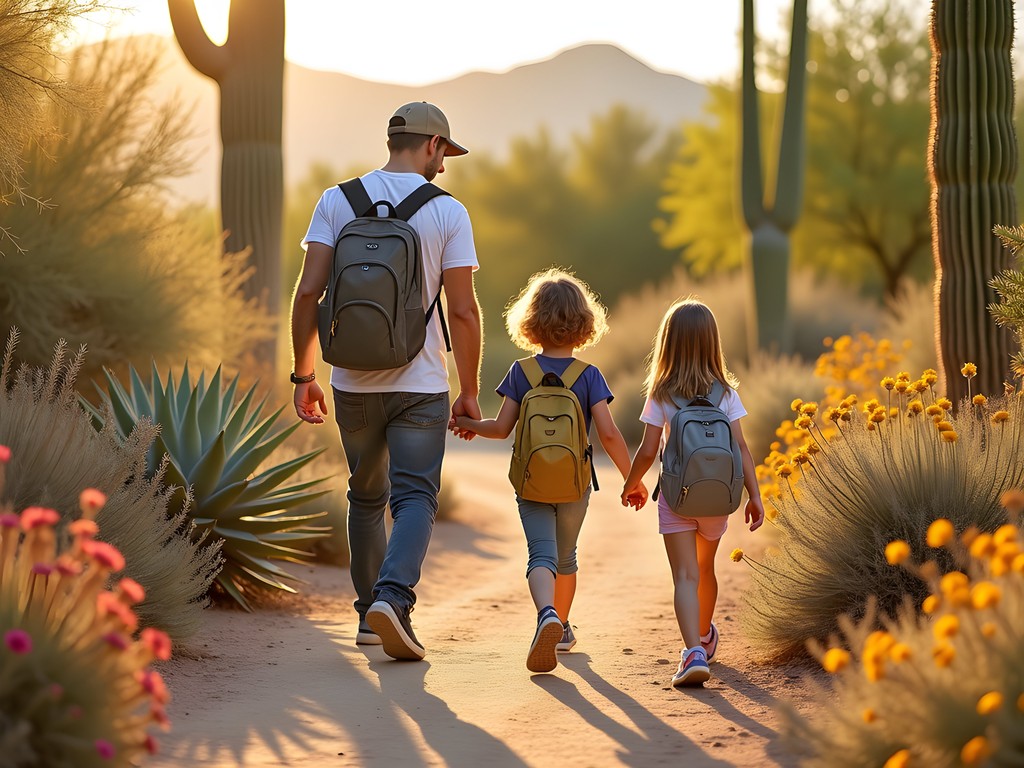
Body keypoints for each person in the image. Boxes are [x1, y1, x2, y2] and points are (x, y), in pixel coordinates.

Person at [289, 102, 483, 661]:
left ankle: (368, 618)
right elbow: (464, 312)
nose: (444, 167)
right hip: (420, 380)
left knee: (365, 495)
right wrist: (468, 390)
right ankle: (393, 601)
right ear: (431, 146)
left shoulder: (335, 200)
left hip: (351, 380)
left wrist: (304, 375)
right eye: (444, 153)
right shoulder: (448, 212)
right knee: (416, 494)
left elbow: (308, 295)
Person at [450, 268, 642, 673]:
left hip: (531, 482)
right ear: (584, 324)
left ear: (531, 323)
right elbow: (608, 434)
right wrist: (632, 479)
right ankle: (564, 626)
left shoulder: (521, 373)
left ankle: (546, 616)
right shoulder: (589, 376)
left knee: (541, 553)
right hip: (574, 486)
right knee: (567, 556)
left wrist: (468, 425)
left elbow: (501, 429)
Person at [620, 299, 764, 687]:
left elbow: (649, 450)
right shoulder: (726, 394)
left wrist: (632, 482)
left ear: (668, 343)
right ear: (712, 342)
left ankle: (693, 653)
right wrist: (755, 495)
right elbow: (742, 449)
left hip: (677, 497)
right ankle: (704, 635)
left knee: (684, 576)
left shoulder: (662, 394)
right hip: (719, 499)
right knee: (705, 570)